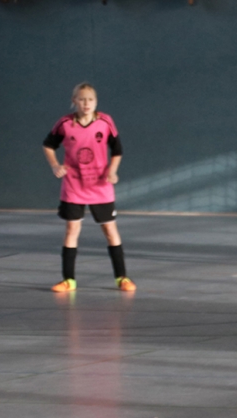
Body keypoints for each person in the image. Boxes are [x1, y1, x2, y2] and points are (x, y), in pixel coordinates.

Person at [43, 83, 135, 292]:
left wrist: (112, 171)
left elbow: (117, 150)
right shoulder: (65, 124)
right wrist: (55, 165)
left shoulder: (105, 122)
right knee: (72, 229)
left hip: (100, 186)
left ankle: (122, 278)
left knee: (110, 230)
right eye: (82, 99)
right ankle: (68, 280)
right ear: (74, 101)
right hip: (74, 185)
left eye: (90, 99)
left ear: (96, 102)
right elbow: (48, 145)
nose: (86, 103)